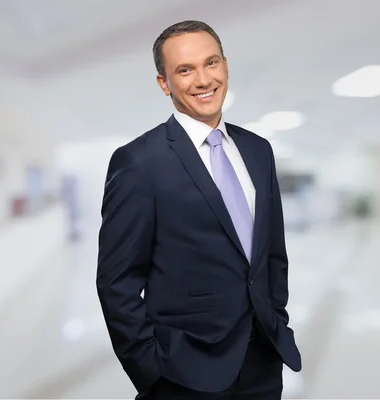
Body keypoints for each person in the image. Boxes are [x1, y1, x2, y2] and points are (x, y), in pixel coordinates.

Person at [96, 20, 301, 399]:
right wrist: (152, 372)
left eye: (211, 63)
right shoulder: (139, 162)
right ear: (164, 83)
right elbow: (116, 283)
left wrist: (278, 324)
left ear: (225, 64)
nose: (203, 80)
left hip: (263, 365)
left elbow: (272, 256)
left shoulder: (258, 150)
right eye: (185, 70)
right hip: (183, 374)